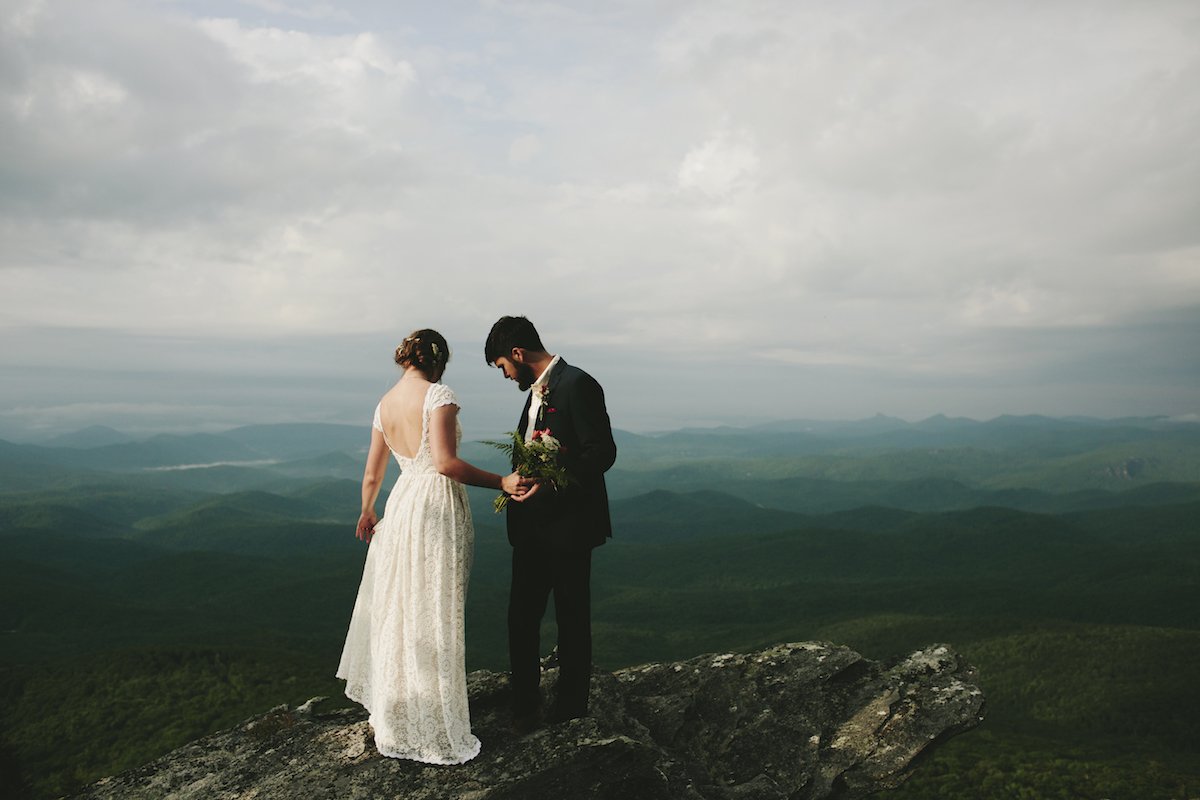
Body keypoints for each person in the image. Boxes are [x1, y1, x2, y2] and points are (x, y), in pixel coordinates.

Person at [337, 328, 531, 764]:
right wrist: (501, 480)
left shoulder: (383, 405)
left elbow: (372, 473)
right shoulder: (438, 395)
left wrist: (367, 511)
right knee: (435, 604)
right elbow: (445, 463)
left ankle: (398, 711)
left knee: (404, 604)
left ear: (405, 359)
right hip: (434, 506)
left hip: (402, 503)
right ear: (438, 361)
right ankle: (435, 720)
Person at [484, 316, 617, 733]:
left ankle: (570, 712)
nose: (506, 376)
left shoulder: (578, 384)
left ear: (518, 354)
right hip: (530, 530)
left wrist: (552, 484)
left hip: (570, 526)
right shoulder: (536, 393)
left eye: (504, 366)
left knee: (572, 620)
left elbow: (602, 453)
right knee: (520, 618)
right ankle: (525, 707)